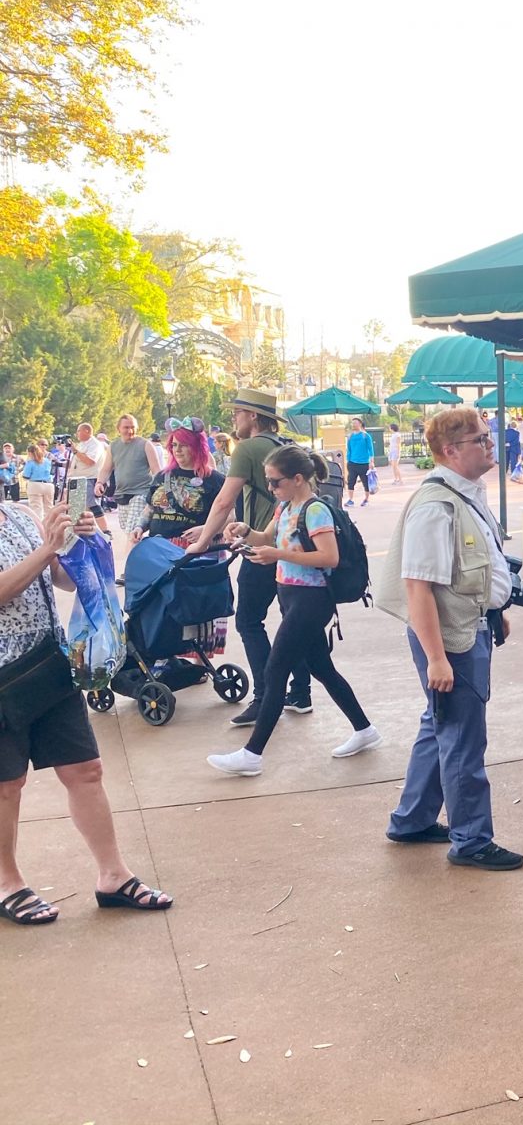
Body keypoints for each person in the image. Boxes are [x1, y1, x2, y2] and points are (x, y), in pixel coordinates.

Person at [0, 500, 173, 923]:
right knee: (6, 785)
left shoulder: (19, 514)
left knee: (86, 769)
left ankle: (113, 875)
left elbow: (62, 580)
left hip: (50, 664)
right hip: (4, 674)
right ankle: (7, 883)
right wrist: (46, 549)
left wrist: (80, 540)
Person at [375, 407, 523, 870]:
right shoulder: (436, 505)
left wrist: (493, 611)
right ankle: (472, 841)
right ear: (449, 451)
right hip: (452, 639)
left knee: (439, 726)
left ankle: (413, 819)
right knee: (462, 738)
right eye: (480, 438)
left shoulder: (461, 495)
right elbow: (417, 586)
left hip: (465, 629)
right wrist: (437, 658)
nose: (489, 444)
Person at [206, 446, 379, 776]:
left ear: (298, 479)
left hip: (311, 600)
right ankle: (364, 729)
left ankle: (252, 754)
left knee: (275, 672)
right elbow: (266, 537)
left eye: (275, 482)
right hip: (293, 597)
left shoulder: (315, 511)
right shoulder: (285, 505)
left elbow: (329, 558)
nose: (270, 488)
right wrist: (245, 531)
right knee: (322, 668)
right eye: (269, 482)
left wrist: (278, 555)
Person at [184, 390, 313, 725]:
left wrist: (201, 544)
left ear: (253, 416)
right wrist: (208, 529)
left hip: (261, 548)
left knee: (248, 621)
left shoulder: (248, 448)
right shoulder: (282, 445)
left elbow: (226, 500)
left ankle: (264, 696)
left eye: (238, 413)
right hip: (291, 547)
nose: (234, 420)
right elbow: (251, 503)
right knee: (290, 622)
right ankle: (300, 692)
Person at [135, 419, 225, 542]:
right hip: (159, 549)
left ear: (196, 447)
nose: (177, 450)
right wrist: (139, 527)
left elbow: (229, 516)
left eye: (183, 445)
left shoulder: (215, 479)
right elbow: (150, 508)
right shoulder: (161, 476)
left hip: (196, 552)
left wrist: (206, 530)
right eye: (174, 445)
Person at [98, 414, 163, 546]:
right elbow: (106, 468)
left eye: (132, 427)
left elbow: (157, 471)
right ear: (119, 429)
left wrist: (158, 492)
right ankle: (142, 557)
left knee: (132, 531)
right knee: (126, 529)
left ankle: (130, 561)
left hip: (141, 493)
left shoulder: (145, 445)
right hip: (122, 494)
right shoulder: (113, 446)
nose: (130, 431)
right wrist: (100, 482)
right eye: (126, 427)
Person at [344, 418, 373, 507]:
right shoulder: (350, 436)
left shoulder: (365, 436)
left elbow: (370, 449)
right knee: (351, 481)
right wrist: (348, 461)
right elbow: (349, 449)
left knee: (365, 482)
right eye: (352, 423)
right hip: (352, 463)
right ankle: (351, 500)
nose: (354, 425)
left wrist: (371, 462)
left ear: (360, 424)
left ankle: (366, 499)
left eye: (355, 423)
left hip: (364, 463)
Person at [21, 445, 52, 519]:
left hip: (35, 485)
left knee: (36, 508)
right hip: (48, 484)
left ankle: (39, 527)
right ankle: (50, 525)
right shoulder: (47, 461)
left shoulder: (30, 462)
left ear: (29, 453)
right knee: (48, 508)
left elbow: (26, 476)